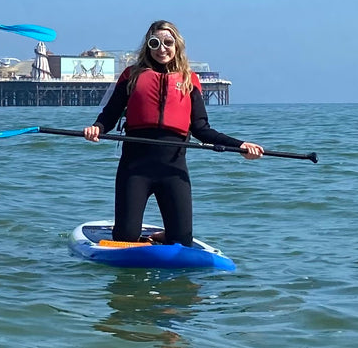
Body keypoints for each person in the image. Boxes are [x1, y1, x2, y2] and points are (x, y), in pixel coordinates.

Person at [84, 19, 263, 246]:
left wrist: (240, 146)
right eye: (155, 43)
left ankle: (165, 236)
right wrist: (96, 128)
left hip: (173, 169)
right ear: (148, 45)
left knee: (182, 241)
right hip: (135, 168)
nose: (162, 49)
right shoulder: (132, 76)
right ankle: (136, 234)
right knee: (125, 237)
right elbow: (109, 115)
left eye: (168, 42)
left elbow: (202, 129)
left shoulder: (189, 80)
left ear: (177, 44)